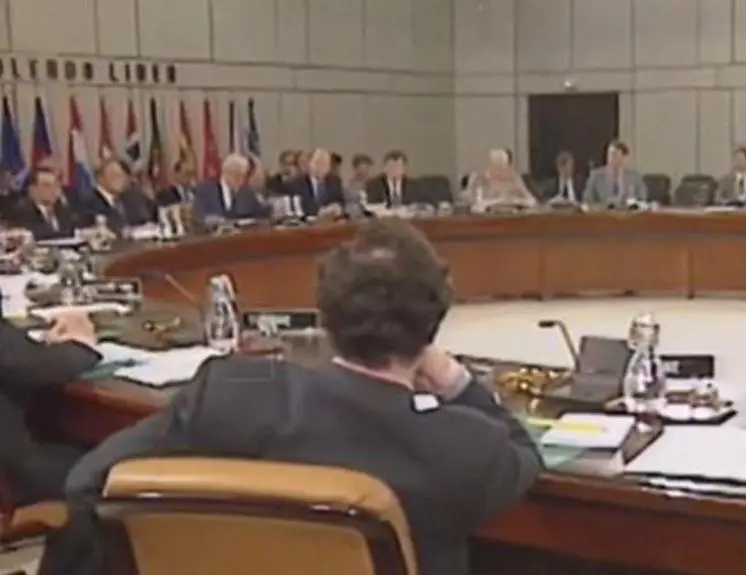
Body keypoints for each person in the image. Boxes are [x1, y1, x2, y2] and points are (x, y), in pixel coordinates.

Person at [43, 219, 541, 575]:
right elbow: (523, 451)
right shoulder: (464, 445)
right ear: (433, 326)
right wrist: (454, 379)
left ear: (324, 314)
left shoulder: (230, 392)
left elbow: (88, 483)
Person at [0, 310, 100, 505]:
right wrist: (81, 343)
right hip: (17, 469)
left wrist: (45, 345)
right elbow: (30, 367)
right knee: (114, 462)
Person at [192, 154, 269, 223]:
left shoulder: (247, 194)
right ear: (227, 173)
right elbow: (200, 218)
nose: (241, 180)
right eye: (237, 175)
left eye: (242, 176)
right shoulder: (205, 191)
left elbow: (261, 218)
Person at [460, 148, 536, 211]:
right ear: (490, 165)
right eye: (497, 166)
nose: (501, 170)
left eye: (503, 166)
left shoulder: (514, 178)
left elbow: (532, 201)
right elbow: (477, 206)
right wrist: (498, 201)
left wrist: (515, 201)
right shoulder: (480, 179)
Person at [15, 167, 77, 240]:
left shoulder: (62, 209)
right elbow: (38, 235)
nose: (53, 189)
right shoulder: (24, 210)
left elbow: (72, 231)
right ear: (32, 189)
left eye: (56, 185)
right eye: (47, 185)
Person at [582, 141, 647, 208]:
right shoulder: (596, 175)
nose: (610, 158)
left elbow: (642, 200)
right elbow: (587, 200)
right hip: (603, 212)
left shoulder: (635, 177)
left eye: (614, 155)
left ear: (624, 157)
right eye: (609, 155)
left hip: (628, 212)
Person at [287, 148, 346, 218]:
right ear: (310, 164)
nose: (322, 167)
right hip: (308, 221)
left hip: (331, 220)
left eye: (326, 164)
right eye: (318, 163)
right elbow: (300, 204)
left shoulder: (335, 181)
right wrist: (321, 211)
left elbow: (341, 201)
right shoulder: (297, 183)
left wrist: (338, 207)